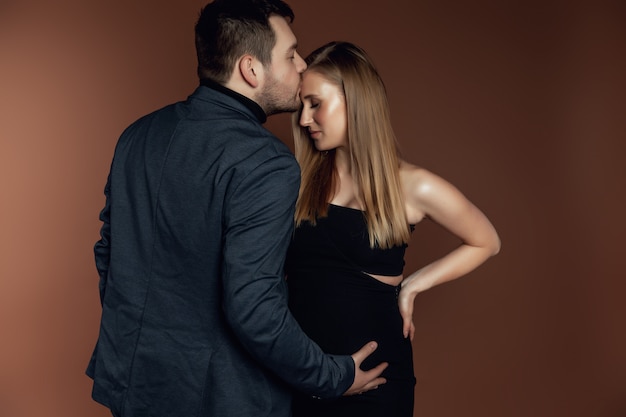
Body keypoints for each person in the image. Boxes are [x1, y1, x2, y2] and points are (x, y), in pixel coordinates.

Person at [86, 4, 388, 417]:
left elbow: (109, 254)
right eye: (290, 54)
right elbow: (254, 309)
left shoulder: (138, 135)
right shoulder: (266, 162)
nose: (301, 65)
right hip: (217, 397)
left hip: (132, 382)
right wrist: (331, 376)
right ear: (251, 69)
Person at [285, 41, 502, 417]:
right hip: (300, 377)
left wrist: (415, 284)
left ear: (355, 100)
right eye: (301, 105)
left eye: (315, 103)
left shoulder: (414, 186)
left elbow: (486, 241)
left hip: (376, 386)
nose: (304, 119)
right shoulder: (299, 180)